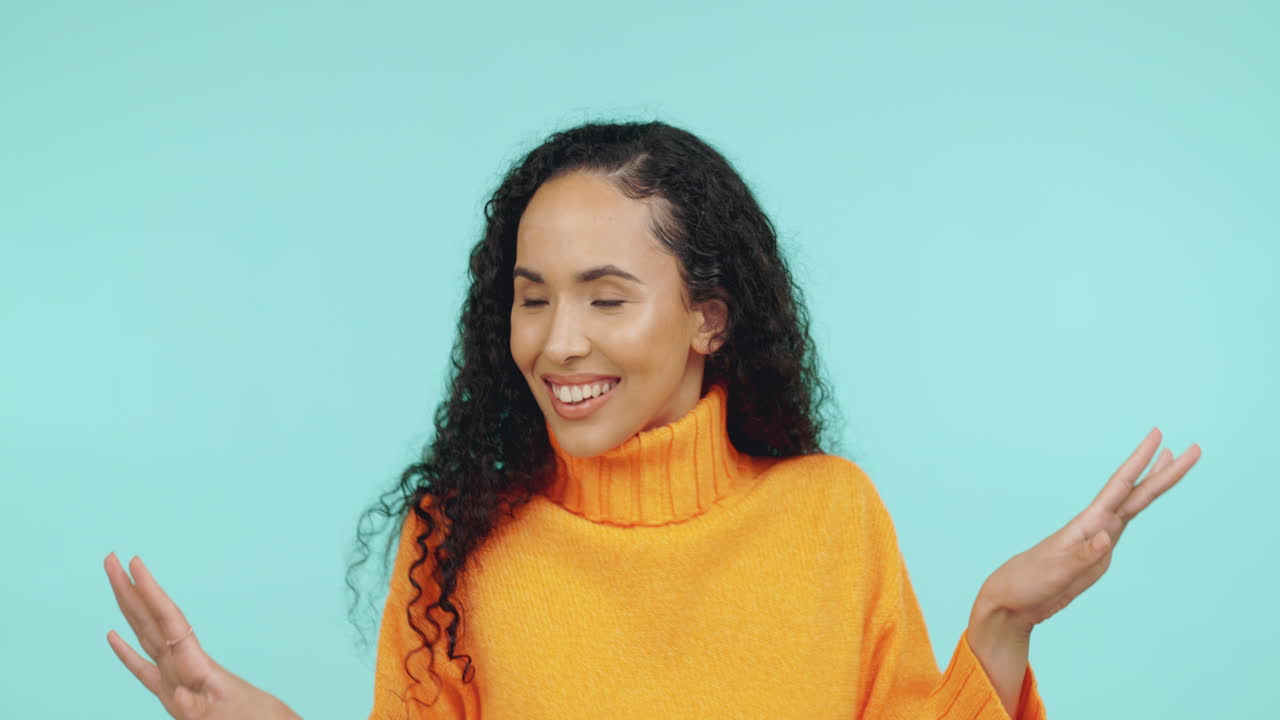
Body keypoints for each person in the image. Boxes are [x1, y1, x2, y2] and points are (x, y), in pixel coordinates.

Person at [103, 120, 1202, 720]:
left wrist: (1000, 624)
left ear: (708, 319)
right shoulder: (457, 535)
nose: (556, 342)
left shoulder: (829, 515)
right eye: (529, 297)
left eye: (605, 296)